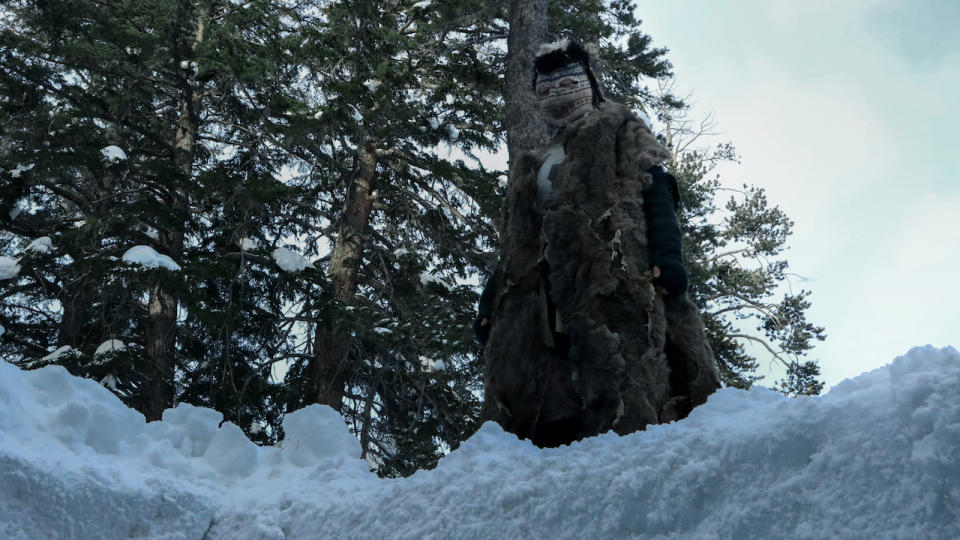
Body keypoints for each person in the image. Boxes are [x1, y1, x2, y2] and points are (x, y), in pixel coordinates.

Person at [477, 39, 720, 447]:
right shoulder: (534, 161)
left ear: (589, 83)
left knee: (621, 373)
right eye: (546, 90)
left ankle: (628, 456)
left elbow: (656, 189)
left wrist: (667, 256)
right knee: (542, 385)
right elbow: (518, 239)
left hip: (611, 274)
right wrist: (490, 303)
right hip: (540, 292)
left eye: (567, 84)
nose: (557, 97)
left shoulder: (618, 130)